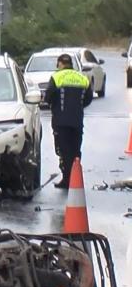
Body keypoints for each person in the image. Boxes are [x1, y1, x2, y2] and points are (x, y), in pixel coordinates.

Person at [45, 53, 92, 189]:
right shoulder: (82, 78)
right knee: (76, 150)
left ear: (60, 63)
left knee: (63, 151)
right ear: (71, 64)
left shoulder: (56, 77)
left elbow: (48, 96)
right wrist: (78, 107)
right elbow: (88, 98)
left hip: (61, 122)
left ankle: (67, 180)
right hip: (77, 120)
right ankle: (75, 177)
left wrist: (54, 106)